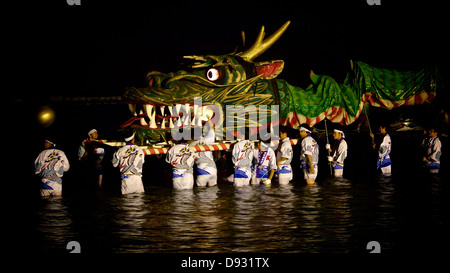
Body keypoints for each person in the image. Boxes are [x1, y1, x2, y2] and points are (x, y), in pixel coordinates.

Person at [191, 120, 217, 187]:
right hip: (212, 167)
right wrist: (209, 120)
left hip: (202, 168)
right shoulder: (207, 140)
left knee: (201, 190)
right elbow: (212, 129)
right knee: (213, 190)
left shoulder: (191, 144)